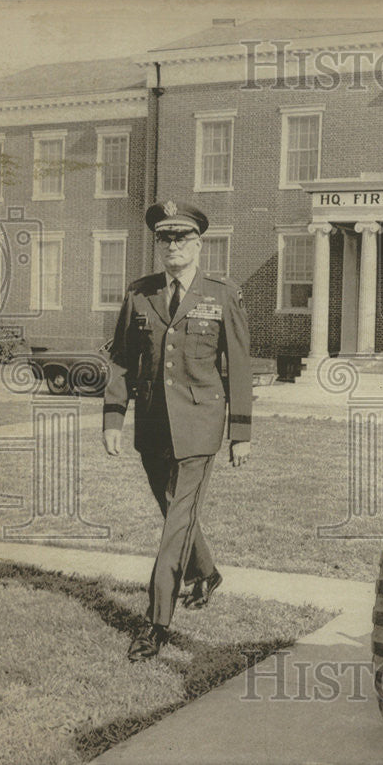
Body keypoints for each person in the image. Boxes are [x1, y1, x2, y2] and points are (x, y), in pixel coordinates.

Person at [103, 199, 252, 661]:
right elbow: (122, 359)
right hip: (151, 425)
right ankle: (206, 573)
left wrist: (240, 432)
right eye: (164, 239)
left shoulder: (222, 293)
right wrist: (114, 416)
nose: (172, 247)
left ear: (198, 244)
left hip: (200, 426)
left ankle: (156, 622)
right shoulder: (139, 293)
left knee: (175, 527)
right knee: (174, 512)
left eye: (181, 238)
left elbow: (240, 366)